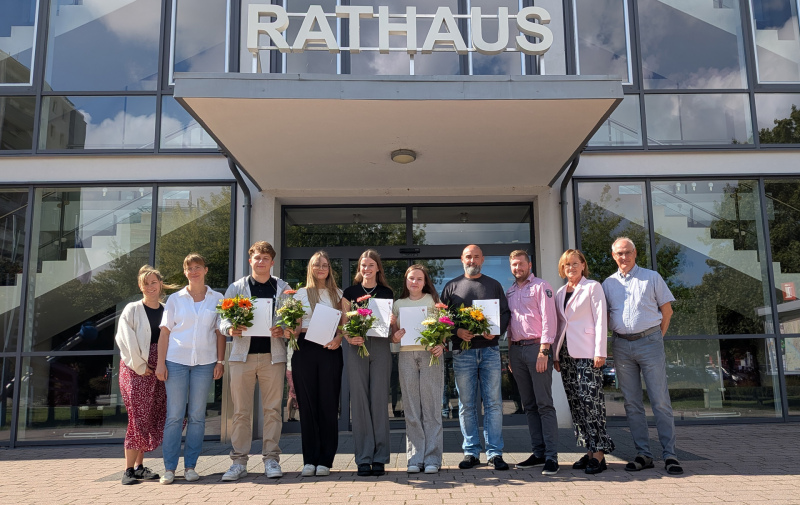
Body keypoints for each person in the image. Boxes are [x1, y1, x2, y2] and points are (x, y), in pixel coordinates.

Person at [602, 237, 683, 475]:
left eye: (627, 252)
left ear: (635, 253)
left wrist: (656, 337)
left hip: (650, 343)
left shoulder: (652, 277)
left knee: (659, 401)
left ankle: (670, 455)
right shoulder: (608, 283)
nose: (623, 257)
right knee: (632, 404)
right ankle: (644, 454)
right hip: (621, 346)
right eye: (619, 254)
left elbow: (667, 311)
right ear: (613, 256)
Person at [219, 241, 289, 481]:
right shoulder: (237, 287)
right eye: (257, 257)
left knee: (272, 411)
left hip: (273, 357)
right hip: (241, 357)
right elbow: (221, 319)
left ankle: (271, 459)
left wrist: (284, 328)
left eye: (265, 258)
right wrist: (230, 329)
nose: (261, 262)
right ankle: (239, 462)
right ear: (251, 261)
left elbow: (292, 319)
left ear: (272, 262)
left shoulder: (282, 287)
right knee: (241, 412)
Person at [155, 253, 225, 484]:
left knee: (197, 417)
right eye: (189, 268)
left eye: (198, 267)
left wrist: (220, 361)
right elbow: (164, 333)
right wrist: (160, 363)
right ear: (185, 272)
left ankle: (191, 467)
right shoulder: (175, 299)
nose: (194, 271)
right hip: (176, 361)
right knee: (174, 416)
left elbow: (220, 333)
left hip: (205, 363)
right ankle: (169, 469)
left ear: (206, 270)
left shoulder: (217, 298)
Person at [441, 245, 510, 471]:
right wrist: (456, 332)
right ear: (462, 259)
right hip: (463, 352)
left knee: (493, 403)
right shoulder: (452, 287)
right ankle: (470, 452)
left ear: (483, 259)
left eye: (476, 256)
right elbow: (443, 319)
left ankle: (495, 453)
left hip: (490, 350)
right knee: (466, 404)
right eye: (468, 256)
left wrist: (497, 331)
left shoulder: (494, 285)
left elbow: (505, 314)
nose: (472, 260)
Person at [553, 249, 615, 475]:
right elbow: (561, 325)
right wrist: (556, 354)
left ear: (583, 265)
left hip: (588, 352)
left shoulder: (593, 287)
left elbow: (601, 319)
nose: (571, 267)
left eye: (575, 263)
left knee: (591, 401)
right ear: (562, 268)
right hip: (567, 354)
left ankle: (600, 452)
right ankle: (589, 449)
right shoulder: (560, 292)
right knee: (576, 402)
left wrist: (601, 351)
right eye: (566, 264)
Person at [115, 265, 174, 485]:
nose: (150, 287)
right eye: (145, 283)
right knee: (138, 417)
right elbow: (125, 339)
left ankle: (140, 466)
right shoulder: (132, 309)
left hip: (160, 368)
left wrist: (163, 365)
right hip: (135, 369)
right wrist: (140, 366)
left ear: (160, 284)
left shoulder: (168, 309)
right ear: (140, 286)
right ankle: (128, 470)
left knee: (151, 417)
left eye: (154, 282)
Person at [341, 249, 395, 477]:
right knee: (360, 401)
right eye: (363, 265)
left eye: (371, 265)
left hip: (381, 348)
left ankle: (380, 458)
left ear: (378, 268)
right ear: (359, 268)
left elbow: (392, 331)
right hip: (356, 347)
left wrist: (394, 322)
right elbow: (343, 324)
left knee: (380, 401)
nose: (367, 269)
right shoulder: (349, 292)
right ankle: (364, 458)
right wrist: (348, 336)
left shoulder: (386, 292)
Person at [505, 250, 559, 475]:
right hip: (517, 352)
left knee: (544, 403)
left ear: (529, 264)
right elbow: (509, 325)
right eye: (514, 265)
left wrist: (544, 351)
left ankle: (551, 457)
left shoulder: (541, 286)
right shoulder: (509, 292)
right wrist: (509, 354)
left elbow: (550, 319)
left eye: (520, 263)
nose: (517, 268)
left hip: (538, 348)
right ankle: (538, 453)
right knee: (528, 405)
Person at [291, 250, 344, 477]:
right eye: (316, 265)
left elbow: (344, 325)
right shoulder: (299, 295)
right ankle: (309, 460)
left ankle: (326, 460)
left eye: (325, 265)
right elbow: (293, 328)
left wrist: (338, 339)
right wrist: (289, 330)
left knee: (328, 405)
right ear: (310, 268)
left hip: (330, 349)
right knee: (308, 406)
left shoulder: (338, 294)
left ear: (329, 268)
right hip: (304, 349)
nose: (321, 268)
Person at [390, 264, 444, 474]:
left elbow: (443, 326)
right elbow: (394, 337)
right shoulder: (398, 304)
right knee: (412, 409)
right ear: (406, 280)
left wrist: (441, 344)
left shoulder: (433, 301)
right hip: (406, 356)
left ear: (425, 282)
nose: (415, 282)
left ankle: (432, 458)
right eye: (411, 278)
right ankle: (415, 458)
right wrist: (394, 333)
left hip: (430, 355)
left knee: (431, 409)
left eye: (419, 279)